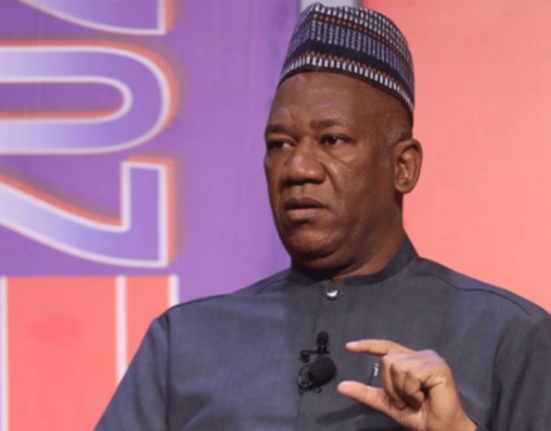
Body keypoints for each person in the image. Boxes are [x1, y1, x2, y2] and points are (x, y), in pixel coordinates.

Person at [95, 3, 551, 431]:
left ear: (403, 167)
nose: (298, 168)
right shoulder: (184, 342)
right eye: (280, 144)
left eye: (332, 140)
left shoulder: (507, 338)